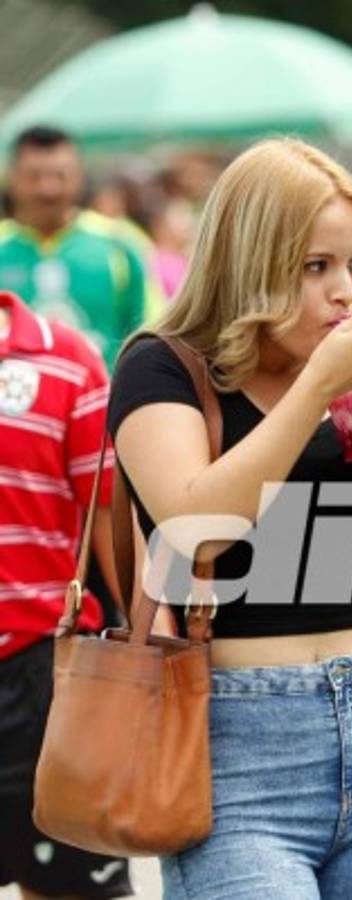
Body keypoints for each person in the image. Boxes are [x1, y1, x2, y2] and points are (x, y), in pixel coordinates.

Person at [107, 138, 352, 899]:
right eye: (314, 266)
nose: (344, 292)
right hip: (234, 746)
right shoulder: (163, 366)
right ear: (250, 261)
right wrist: (314, 390)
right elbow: (198, 528)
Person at [0, 292, 133, 899]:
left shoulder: (67, 360)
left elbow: (109, 514)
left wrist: (149, 647)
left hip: (43, 675)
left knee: (69, 890)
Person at [0, 126, 155, 368]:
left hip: (105, 391)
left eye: (60, 176)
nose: (48, 188)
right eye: (34, 176)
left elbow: (152, 333)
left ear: (80, 177)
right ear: (12, 178)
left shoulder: (120, 245)